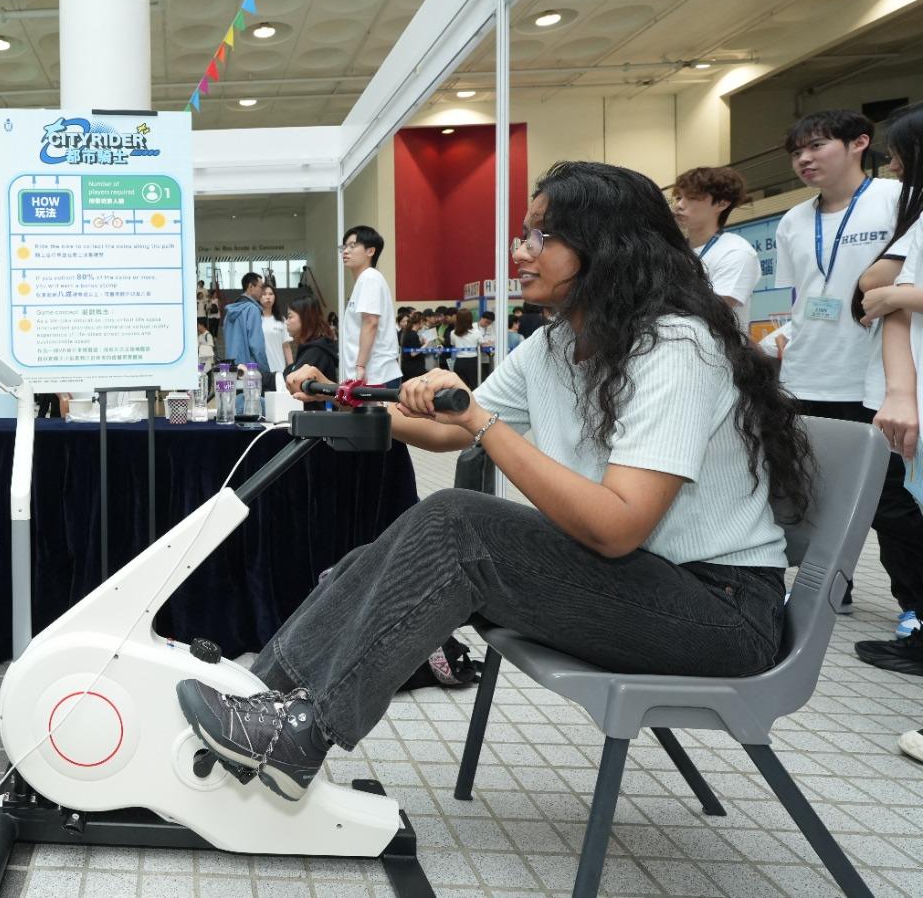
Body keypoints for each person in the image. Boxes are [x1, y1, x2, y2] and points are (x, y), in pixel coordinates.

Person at [177, 161, 810, 803]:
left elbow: (616, 526)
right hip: (641, 582)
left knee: (457, 525)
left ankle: (297, 733)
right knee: (376, 560)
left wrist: (480, 422)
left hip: (719, 612)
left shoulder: (675, 347)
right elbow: (450, 428)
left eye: (541, 237)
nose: (520, 252)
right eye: (524, 236)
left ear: (604, 247)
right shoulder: (560, 342)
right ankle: (265, 699)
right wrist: (347, 403)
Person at [776, 109, 912, 616]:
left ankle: (914, 607)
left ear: (859, 143)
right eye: (796, 152)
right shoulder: (793, 220)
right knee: (811, 495)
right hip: (807, 375)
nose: (805, 159)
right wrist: (784, 342)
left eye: (816, 146)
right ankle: (831, 587)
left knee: (891, 502)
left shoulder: (894, 201)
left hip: (875, 380)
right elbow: (804, 299)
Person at [849, 101, 923, 669]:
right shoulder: (917, 218)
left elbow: (883, 291)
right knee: (897, 504)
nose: (893, 167)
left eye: (899, 156)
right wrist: (901, 392)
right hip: (908, 397)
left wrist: (896, 294)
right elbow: (877, 295)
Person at [673, 166, 761, 332]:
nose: (679, 205)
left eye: (692, 197)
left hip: (717, 352)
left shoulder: (735, 251)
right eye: (678, 197)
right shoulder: (671, 250)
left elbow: (716, 310)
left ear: (722, 203)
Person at [339, 226, 399, 388]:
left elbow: (371, 322)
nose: (346, 251)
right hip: (371, 374)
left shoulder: (369, 278)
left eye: (352, 245)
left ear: (370, 251)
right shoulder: (364, 280)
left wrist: (360, 367)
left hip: (376, 375)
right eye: (344, 246)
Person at [281, 295, 337, 412]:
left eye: (290, 316)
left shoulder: (316, 351)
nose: (286, 322)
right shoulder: (310, 348)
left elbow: (293, 381)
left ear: (305, 318)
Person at [221, 271, 266, 375]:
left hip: (232, 369)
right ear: (251, 286)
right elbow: (257, 346)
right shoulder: (252, 309)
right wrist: (265, 370)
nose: (262, 291)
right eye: (261, 287)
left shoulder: (229, 312)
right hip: (250, 371)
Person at [444, 308, 482, 389]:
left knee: (460, 387)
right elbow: (482, 343)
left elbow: (453, 344)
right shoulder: (476, 332)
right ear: (470, 319)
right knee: (474, 385)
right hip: (472, 361)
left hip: (459, 361)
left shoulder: (453, 333)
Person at [259, 284, 291, 374]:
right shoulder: (255, 320)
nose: (268, 297)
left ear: (275, 297)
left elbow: (286, 346)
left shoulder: (281, 320)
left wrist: (292, 368)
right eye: (264, 294)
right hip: (261, 370)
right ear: (259, 297)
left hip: (280, 370)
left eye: (271, 294)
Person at [399, 311, 427, 380]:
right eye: (423, 322)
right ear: (420, 322)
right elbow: (413, 353)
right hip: (413, 369)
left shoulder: (408, 333)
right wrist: (425, 345)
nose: (424, 325)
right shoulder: (413, 335)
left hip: (408, 368)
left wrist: (421, 343)